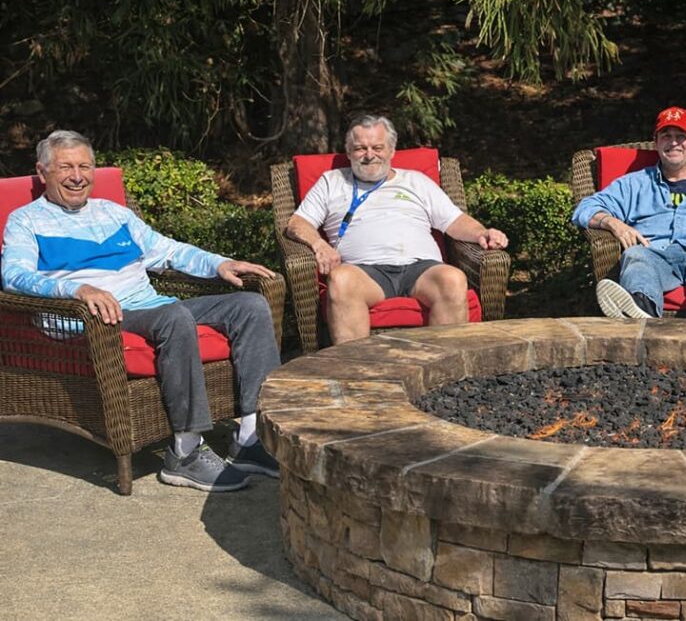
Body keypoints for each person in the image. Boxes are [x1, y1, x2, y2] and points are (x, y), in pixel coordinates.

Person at [1, 130, 281, 492]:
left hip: (148, 307)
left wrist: (219, 263)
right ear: (43, 172)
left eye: (85, 166)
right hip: (92, 319)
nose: (77, 176)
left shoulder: (114, 213)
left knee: (250, 306)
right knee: (174, 317)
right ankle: (185, 453)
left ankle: (250, 440)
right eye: (66, 167)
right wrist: (77, 289)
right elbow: (13, 276)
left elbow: (167, 250)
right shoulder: (26, 220)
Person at [285, 115, 508, 343]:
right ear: (349, 152)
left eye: (377, 147)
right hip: (364, 273)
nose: (369, 155)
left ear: (391, 151)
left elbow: (455, 221)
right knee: (341, 280)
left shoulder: (416, 181)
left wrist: (481, 233)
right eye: (360, 148)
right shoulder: (331, 181)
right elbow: (297, 223)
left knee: (452, 279)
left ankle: (442, 364)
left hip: (421, 269)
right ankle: (356, 365)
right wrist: (319, 244)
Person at [571, 106, 686, 321]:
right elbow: (584, 209)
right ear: (656, 142)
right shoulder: (634, 184)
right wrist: (613, 223)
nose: (673, 142)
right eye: (666, 136)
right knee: (635, 256)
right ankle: (642, 312)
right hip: (655, 255)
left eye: (681, 136)